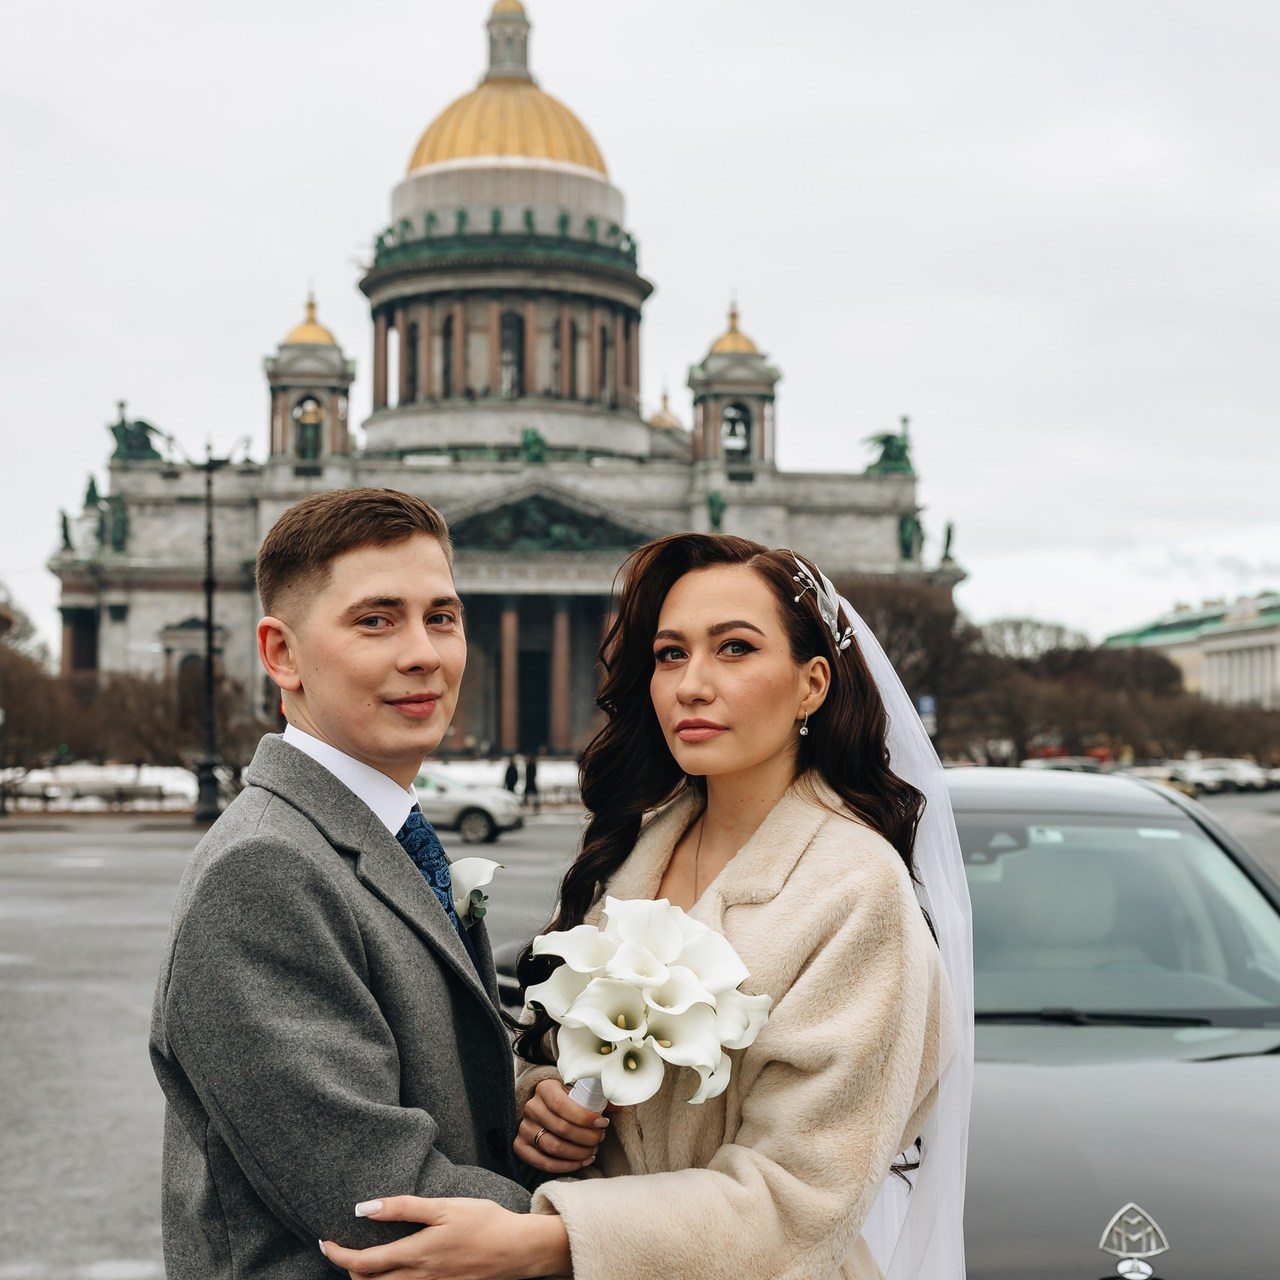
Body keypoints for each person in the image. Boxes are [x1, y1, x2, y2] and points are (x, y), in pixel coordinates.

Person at [322, 532, 973, 1280]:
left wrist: (550, 1243)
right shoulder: (638, 846)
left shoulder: (858, 891)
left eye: (734, 649)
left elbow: (798, 1204)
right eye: (670, 654)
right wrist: (545, 1104)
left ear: (813, 684)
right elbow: (559, 1058)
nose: (691, 684)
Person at [149, 488, 548, 1279]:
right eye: (376, 620)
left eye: (441, 617)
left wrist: (537, 1085)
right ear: (282, 654)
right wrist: (623, 1225)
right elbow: (378, 1203)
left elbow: (439, 1018)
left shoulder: (378, 827)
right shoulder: (263, 870)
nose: (423, 653)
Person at [523, 748, 541, 814]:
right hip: (530, 782)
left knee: (533, 797)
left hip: (531, 783)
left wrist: (530, 780)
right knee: (528, 796)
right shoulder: (529, 765)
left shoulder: (531, 765)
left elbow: (532, 774)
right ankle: (534, 807)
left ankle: (536, 808)